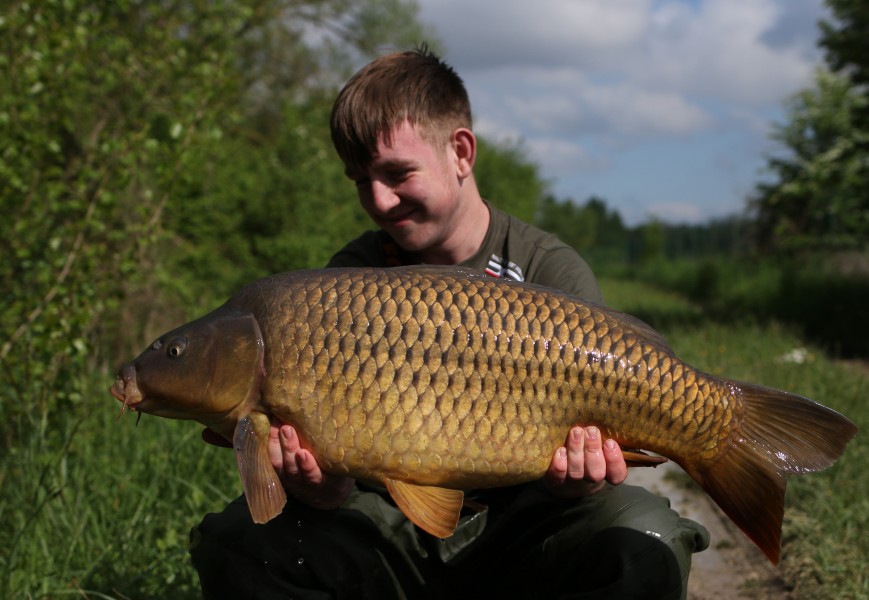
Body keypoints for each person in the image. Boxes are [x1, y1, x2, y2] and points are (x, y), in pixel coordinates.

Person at [190, 46, 709, 599]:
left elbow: (593, 468)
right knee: (236, 542)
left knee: (642, 532)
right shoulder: (347, 282)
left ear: (460, 152)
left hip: (525, 529)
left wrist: (578, 482)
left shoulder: (545, 267)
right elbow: (333, 486)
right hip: (390, 536)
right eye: (360, 180)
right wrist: (321, 492)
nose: (379, 199)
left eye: (396, 173)